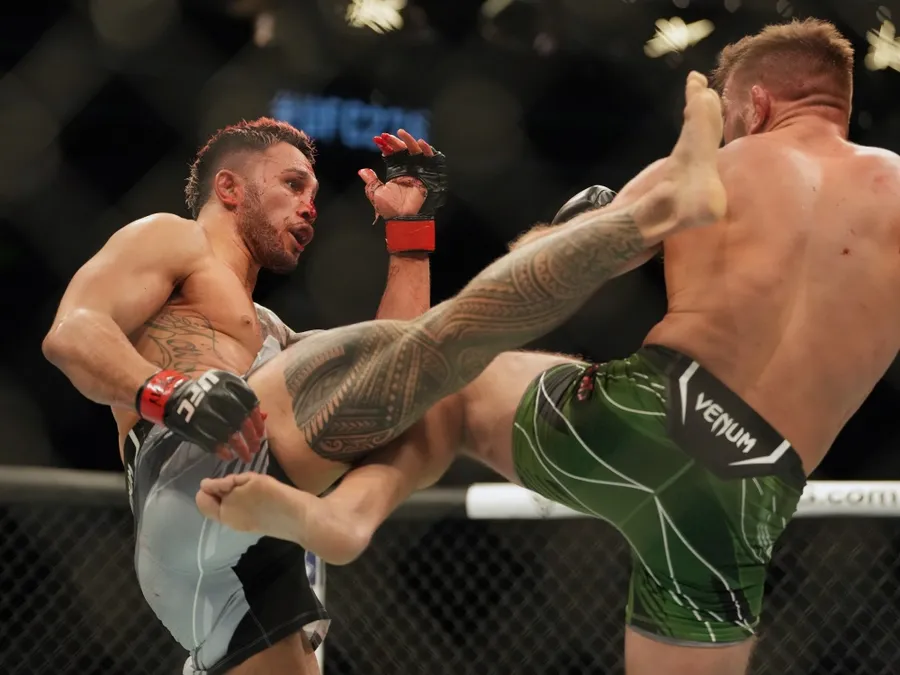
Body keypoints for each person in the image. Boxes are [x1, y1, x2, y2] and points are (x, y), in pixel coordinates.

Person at [196, 19, 900, 675]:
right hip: (754, 484)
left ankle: (349, 516)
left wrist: (577, 220)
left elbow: (544, 265)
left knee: (458, 381)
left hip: (656, 410)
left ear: (758, 103)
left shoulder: (722, 164)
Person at [42, 118, 450, 675]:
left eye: (314, 194)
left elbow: (397, 361)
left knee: (406, 375)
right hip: (186, 478)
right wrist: (171, 394)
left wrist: (410, 230)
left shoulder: (272, 333)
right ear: (230, 188)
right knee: (448, 396)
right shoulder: (171, 238)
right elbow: (72, 333)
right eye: (292, 184)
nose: (310, 207)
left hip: (248, 543)